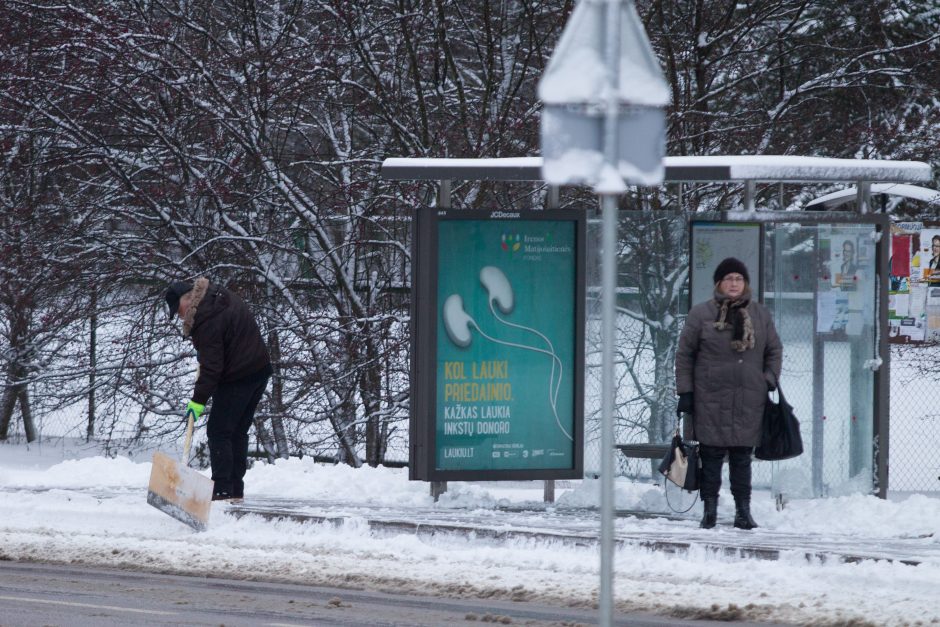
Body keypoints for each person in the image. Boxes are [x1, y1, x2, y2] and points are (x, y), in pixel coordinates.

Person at [674, 258, 783, 530]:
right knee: (710, 456)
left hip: (749, 397)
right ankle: (709, 510)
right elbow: (685, 355)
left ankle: (743, 512)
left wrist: (767, 380)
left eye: (738, 279)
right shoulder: (701, 314)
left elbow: (774, 350)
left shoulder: (760, 314)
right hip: (710, 397)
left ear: (745, 283)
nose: (734, 283)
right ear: (719, 283)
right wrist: (685, 392)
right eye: (728, 279)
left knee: (741, 457)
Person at [165, 277, 273, 501]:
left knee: (219, 431)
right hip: (258, 370)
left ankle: (223, 491)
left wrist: (198, 400)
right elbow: (223, 341)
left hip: (239, 376)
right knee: (236, 431)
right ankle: (235, 490)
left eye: (179, 309)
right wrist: (207, 349)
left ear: (188, 299)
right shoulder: (214, 296)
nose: (180, 315)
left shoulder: (206, 318)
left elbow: (212, 369)